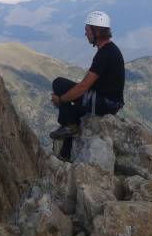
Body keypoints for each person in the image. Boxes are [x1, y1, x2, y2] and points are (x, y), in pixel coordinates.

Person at [49, 11, 125, 149]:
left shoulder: (104, 54)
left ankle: (69, 126)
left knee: (59, 84)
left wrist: (60, 100)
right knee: (75, 112)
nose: (85, 34)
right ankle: (67, 146)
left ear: (96, 31)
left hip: (106, 103)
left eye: (87, 30)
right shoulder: (110, 50)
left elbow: (83, 87)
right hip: (110, 102)